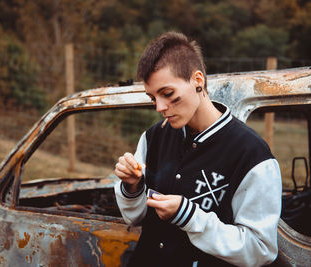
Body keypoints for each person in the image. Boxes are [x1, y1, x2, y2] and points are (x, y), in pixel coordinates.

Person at [114, 32, 282, 267]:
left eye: (168, 94)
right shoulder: (153, 137)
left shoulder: (252, 154)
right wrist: (132, 187)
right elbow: (133, 216)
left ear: (198, 80)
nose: (160, 107)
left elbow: (260, 250)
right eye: (153, 98)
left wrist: (190, 217)